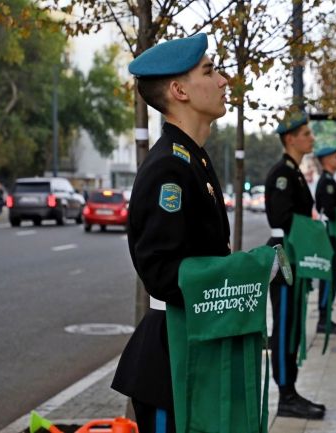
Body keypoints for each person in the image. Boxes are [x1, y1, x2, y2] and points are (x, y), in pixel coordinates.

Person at [110, 33, 231, 433]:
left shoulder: (191, 156)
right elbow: (162, 273)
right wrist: (240, 274)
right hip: (171, 358)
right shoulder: (169, 167)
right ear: (179, 90)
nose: (223, 81)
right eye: (210, 72)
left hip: (193, 344)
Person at [264, 111, 326, 420]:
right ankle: (286, 395)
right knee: (286, 325)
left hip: (294, 256)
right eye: (306, 134)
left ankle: (291, 390)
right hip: (284, 258)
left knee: (292, 325)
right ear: (290, 139)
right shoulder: (283, 174)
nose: (311, 138)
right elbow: (282, 220)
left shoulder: (295, 172)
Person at [314, 146, 336, 335]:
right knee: (329, 278)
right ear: (327, 160)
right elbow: (328, 210)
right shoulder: (326, 182)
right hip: (330, 235)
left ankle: (325, 317)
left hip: (333, 235)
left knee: (332, 278)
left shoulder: (330, 180)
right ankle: (323, 319)